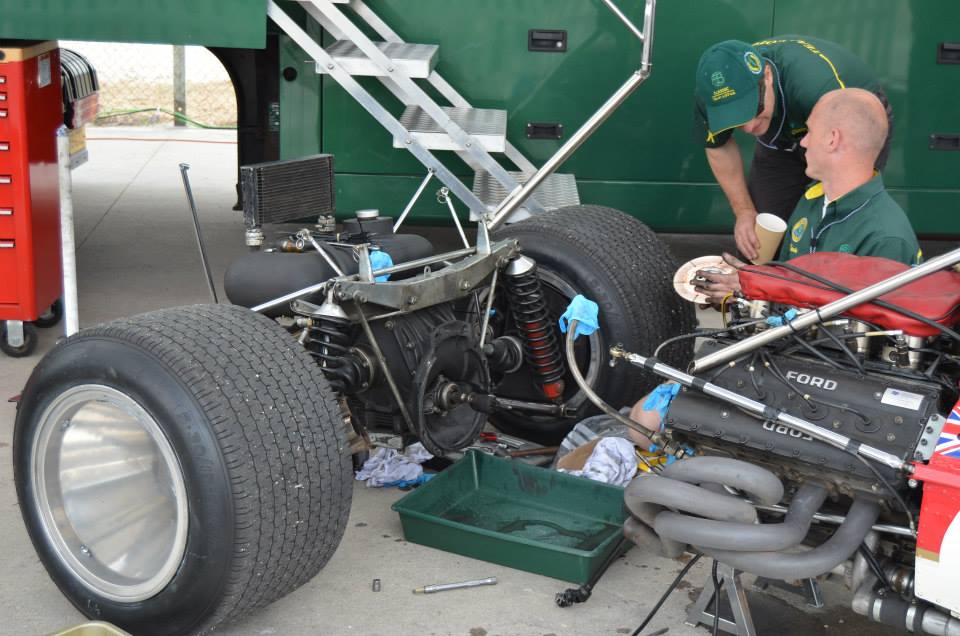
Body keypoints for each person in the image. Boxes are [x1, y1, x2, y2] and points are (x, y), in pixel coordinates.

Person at [629, 87, 920, 447]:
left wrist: (750, 287)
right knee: (642, 418)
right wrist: (742, 288)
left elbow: (869, 353)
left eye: (809, 132)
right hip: (777, 355)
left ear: (833, 139)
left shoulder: (887, 236)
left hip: (823, 384)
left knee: (645, 421)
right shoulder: (815, 201)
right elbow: (792, 285)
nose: (802, 144)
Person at [694, 36, 891, 261]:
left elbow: (846, 150)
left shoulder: (816, 85)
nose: (748, 127)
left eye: (753, 109)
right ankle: (758, 290)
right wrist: (744, 211)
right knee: (762, 234)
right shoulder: (712, 90)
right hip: (784, 136)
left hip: (848, 129)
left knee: (834, 231)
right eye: (736, 119)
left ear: (767, 76)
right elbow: (717, 145)